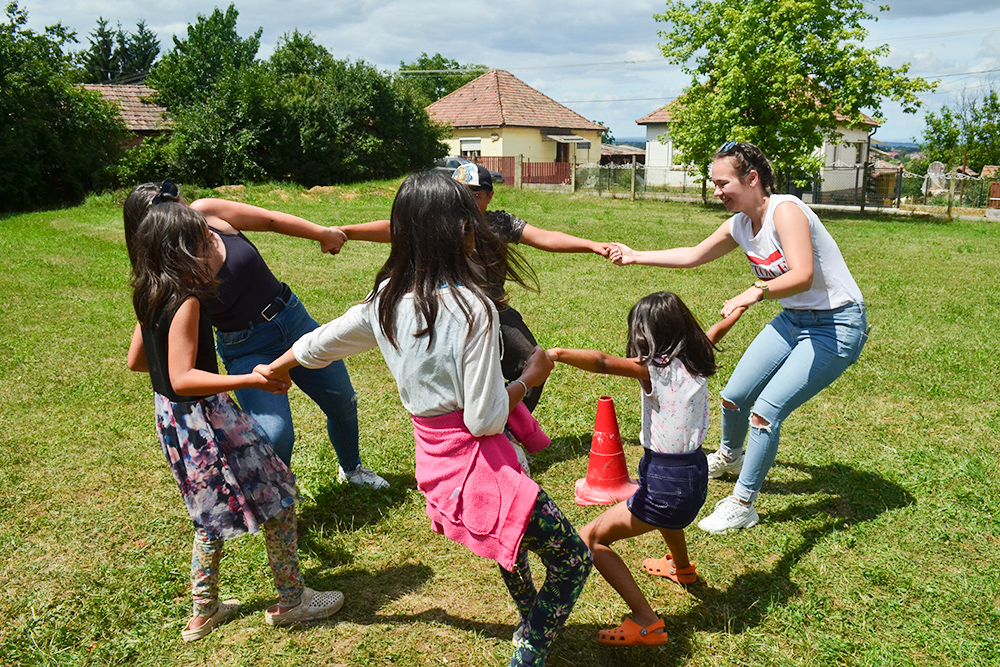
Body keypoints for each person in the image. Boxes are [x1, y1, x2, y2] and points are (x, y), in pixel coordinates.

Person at [258, 172, 593, 667]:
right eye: (468, 218)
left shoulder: (387, 297)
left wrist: (277, 367)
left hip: (434, 462)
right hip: (480, 463)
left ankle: (527, 615)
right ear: (457, 229)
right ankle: (530, 647)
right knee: (572, 559)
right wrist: (529, 377)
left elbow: (319, 343)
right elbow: (484, 418)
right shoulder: (473, 307)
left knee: (512, 541)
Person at [609, 141, 868, 534]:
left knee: (766, 412)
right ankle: (730, 457)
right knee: (734, 396)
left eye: (722, 182)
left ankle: (743, 503)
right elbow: (694, 254)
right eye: (713, 183)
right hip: (794, 318)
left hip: (837, 324)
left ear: (752, 178)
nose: (716, 191)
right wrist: (635, 255)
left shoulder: (787, 211)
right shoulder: (741, 224)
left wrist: (755, 292)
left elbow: (803, 274)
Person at [125, 202, 344, 641]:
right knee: (278, 497)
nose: (212, 244)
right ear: (181, 249)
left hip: (174, 424)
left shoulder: (148, 291)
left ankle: (203, 612)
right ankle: (293, 600)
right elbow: (183, 376)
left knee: (207, 516)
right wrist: (253, 378)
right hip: (209, 417)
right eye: (201, 241)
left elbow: (136, 362)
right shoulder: (187, 299)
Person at [124, 181, 388, 489]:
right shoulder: (170, 273)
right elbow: (141, 357)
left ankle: (352, 469)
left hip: (293, 319)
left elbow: (270, 219)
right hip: (246, 348)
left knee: (342, 400)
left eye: (175, 197)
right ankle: (277, 499)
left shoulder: (208, 211)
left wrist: (321, 232)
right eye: (168, 205)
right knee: (274, 434)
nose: (182, 205)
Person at [547, 293, 744, 646]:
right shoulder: (698, 358)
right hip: (695, 472)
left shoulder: (650, 369)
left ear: (645, 335)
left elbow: (604, 362)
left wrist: (557, 355)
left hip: (666, 481)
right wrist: (739, 308)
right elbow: (718, 329)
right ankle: (681, 569)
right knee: (667, 515)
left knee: (590, 539)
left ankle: (645, 620)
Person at [340, 163, 611, 412]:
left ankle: (510, 432)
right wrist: (344, 232)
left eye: (475, 195)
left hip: (494, 310)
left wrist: (592, 246)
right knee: (459, 382)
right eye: (460, 194)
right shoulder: (439, 225)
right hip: (449, 313)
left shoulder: (500, 224)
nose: (466, 202)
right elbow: (392, 229)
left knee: (532, 365)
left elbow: (547, 237)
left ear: (490, 196)